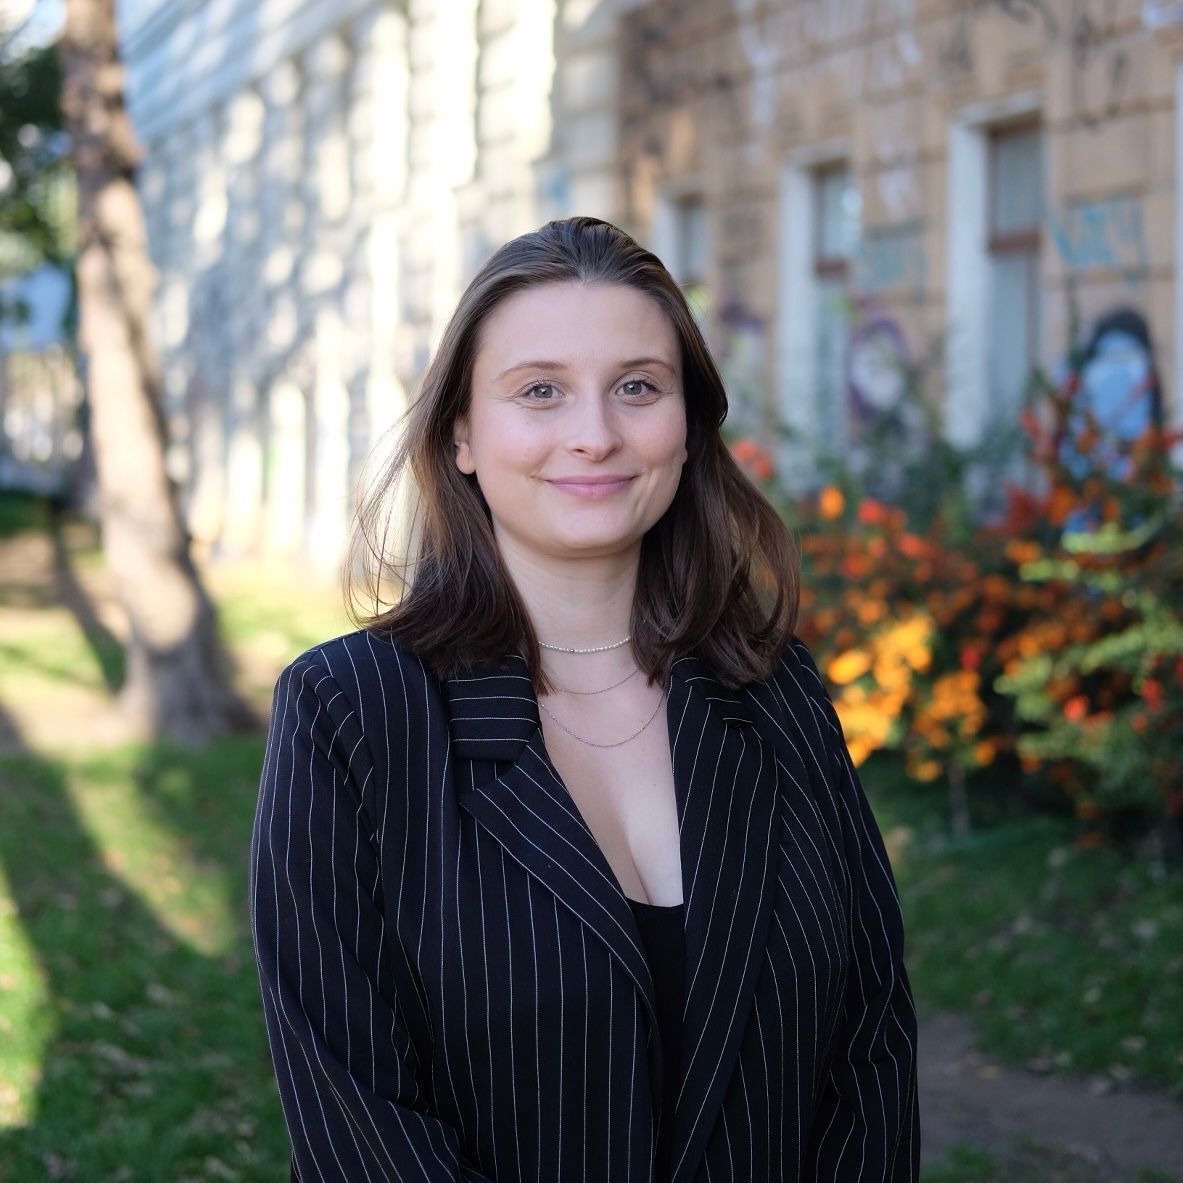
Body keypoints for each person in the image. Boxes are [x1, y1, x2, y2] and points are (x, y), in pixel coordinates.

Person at [250, 216, 919, 1182]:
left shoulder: (777, 690)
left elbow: (870, 1046)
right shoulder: (350, 712)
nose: (596, 435)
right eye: (540, 391)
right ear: (462, 432)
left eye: (637, 387)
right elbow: (358, 1117)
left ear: (686, 426)